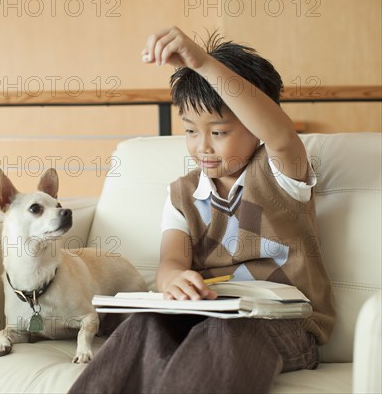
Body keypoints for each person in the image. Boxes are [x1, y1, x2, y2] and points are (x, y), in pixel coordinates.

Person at [68, 26, 336, 393]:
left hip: (284, 324)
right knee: (143, 325)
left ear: (254, 127)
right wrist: (173, 281)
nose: (202, 146)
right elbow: (171, 263)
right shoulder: (182, 194)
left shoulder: (281, 173)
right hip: (205, 312)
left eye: (220, 132)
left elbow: (280, 134)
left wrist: (202, 62)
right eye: (191, 131)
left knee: (224, 330)